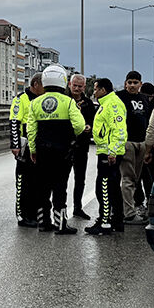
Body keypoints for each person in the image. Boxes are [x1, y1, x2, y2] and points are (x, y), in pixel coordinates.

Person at [26, 65, 86, 234]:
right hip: (62, 152)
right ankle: (60, 224)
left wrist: (33, 150)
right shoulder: (68, 102)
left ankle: (43, 222)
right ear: (63, 81)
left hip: (42, 151)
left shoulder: (35, 103)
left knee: (42, 187)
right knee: (60, 187)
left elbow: (31, 130)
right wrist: (70, 136)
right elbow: (80, 125)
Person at [85, 78, 128, 235]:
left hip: (109, 153)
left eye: (96, 89)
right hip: (106, 151)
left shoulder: (113, 104)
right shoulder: (106, 103)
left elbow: (119, 130)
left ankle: (104, 222)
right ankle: (116, 220)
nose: (94, 92)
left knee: (103, 187)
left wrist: (112, 151)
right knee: (113, 187)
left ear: (103, 90)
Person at [113, 71, 152, 224]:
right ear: (125, 83)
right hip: (126, 142)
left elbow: (147, 119)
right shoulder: (119, 97)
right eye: (129, 82)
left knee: (135, 179)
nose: (132, 85)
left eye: (135, 82)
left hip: (141, 142)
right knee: (128, 179)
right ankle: (128, 213)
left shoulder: (144, 98)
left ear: (140, 84)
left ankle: (132, 207)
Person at [8, 72, 43, 228]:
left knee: (36, 181)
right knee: (23, 182)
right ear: (36, 84)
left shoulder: (42, 99)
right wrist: (15, 145)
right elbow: (14, 122)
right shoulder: (21, 99)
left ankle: (34, 213)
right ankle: (22, 215)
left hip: (38, 146)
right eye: (43, 85)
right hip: (24, 146)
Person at [68, 73, 96, 219]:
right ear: (69, 85)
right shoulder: (64, 100)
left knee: (80, 179)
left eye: (80, 86)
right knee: (61, 180)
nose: (77, 88)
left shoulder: (88, 103)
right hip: (65, 146)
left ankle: (77, 207)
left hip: (82, 146)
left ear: (84, 87)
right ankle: (59, 208)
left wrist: (89, 127)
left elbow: (93, 121)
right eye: (75, 85)